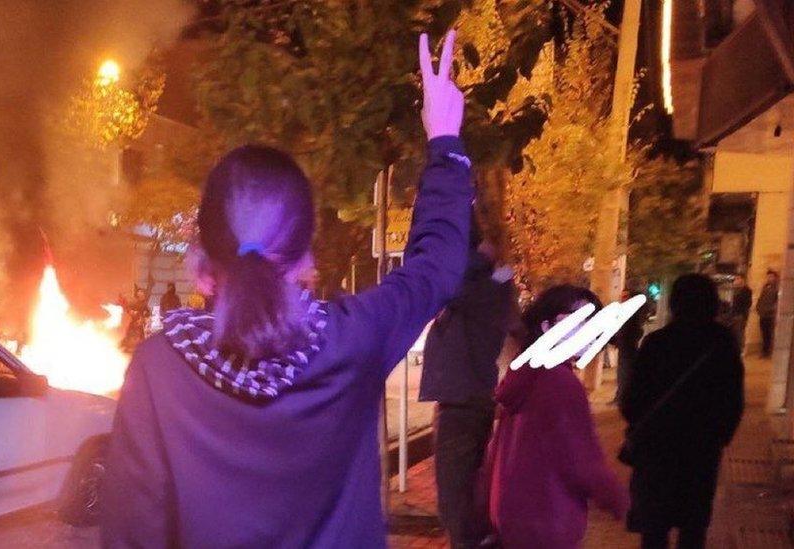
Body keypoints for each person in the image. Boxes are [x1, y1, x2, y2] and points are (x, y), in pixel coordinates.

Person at [99, 31, 471, 548]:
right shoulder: (354, 340)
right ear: (305, 262)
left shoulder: (158, 371)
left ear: (203, 264)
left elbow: (132, 537)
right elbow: (437, 267)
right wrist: (445, 143)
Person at [488, 285, 628, 549]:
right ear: (546, 326)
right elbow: (583, 460)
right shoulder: (560, 382)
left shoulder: (526, 372)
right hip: (548, 519)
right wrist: (619, 500)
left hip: (514, 514)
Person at [620, 274, 744, 548]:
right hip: (701, 452)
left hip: (657, 450)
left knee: (654, 529)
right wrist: (718, 437)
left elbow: (631, 400)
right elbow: (733, 400)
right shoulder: (722, 344)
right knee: (694, 528)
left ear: (675, 302)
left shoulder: (657, 343)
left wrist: (644, 427)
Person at [419, 231, 518, 549]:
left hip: (463, 405)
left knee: (454, 503)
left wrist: (479, 257)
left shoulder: (487, 286)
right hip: (464, 401)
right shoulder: (484, 288)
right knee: (462, 499)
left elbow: (442, 285)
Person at [756, 270, 779, 358]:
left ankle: (768, 352)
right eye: (768, 276)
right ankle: (764, 351)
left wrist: (771, 310)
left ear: (775, 277)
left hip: (770, 316)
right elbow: (761, 299)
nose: (769, 278)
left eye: (771, 276)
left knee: (769, 334)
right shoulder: (765, 287)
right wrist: (758, 308)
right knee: (763, 334)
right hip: (763, 315)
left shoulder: (776, 288)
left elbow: (777, 302)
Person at [730, 274, 752, 351]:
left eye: (737, 278)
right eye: (735, 279)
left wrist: (742, 314)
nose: (736, 280)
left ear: (742, 280)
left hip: (741, 315)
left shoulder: (746, 290)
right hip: (734, 314)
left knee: (740, 333)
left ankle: (741, 349)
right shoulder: (735, 290)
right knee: (735, 332)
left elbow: (747, 304)